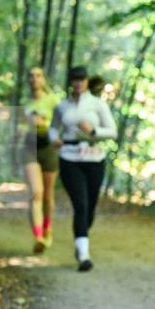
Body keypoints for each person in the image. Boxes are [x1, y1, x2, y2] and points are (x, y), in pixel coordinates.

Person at [49, 66, 117, 272]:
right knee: (81, 204)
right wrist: (54, 139)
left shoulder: (98, 104)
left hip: (94, 158)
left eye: (81, 79)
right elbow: (53, 128)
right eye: (75, 79)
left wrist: (94, 131)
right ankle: (84, 255)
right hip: (69, 157)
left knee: (90, 207)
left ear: (87, 81)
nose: (78, 83)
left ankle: (81, 240)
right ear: (70, 82)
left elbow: (112, 131)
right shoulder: (62, 106)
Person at [21, 67, 60, 253]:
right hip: (30, 147)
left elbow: (61, 123)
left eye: (38, 76)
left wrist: (45, 124)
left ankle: (47, 228)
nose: (34, 79)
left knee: (47, 195)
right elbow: (20, 125)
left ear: (44, 79)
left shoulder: (53, 100)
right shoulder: (25, 103)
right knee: (36, 192)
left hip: (48, 147)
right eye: (31, 76)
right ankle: (38, 237)